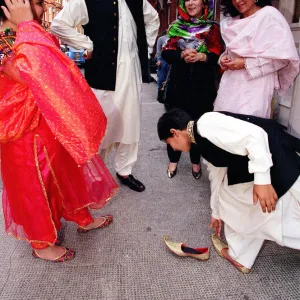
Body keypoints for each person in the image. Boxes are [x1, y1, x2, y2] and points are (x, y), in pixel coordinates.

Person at [0, 0, 118, 262]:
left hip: (46, 122)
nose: (43, 10)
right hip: (21, 132)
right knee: (34, 184)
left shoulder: (22, 36)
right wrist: (27, 25)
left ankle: (80, 217)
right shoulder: (6, 42)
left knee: (64, 172)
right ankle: (42, 244)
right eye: (38, 4)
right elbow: (36, 70)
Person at [157, 108, 300, 273]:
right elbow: (217, 175)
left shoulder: (205, 123)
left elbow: (255, 135)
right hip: (270, 165)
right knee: (229, 199)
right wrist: (216, 212)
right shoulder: (199, 140)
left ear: (174, 133)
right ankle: (240, 255)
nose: (173, 149)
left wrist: (262, 181)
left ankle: (241, 254)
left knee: (285, 217)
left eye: (169, 143)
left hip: (282, 161)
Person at [50, 0, 160, 192]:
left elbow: (153, 19)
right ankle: (94, 173)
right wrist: (88, 44)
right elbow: (58, 24)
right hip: (101, 75)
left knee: (130, 125)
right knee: (100, 127)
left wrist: (146, 48)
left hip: (131, 73)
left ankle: (125, 170)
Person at [161, 0, 223, 179]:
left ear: (204, 3)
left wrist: (203, 56)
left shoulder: (213, 28)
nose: (190, 3)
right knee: (174, 125)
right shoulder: (175, 26)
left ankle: (195, 162)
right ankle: (173, 160)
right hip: (178, 87)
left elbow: (218, 55)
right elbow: (166, 52)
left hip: (202, 88)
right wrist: (181, 54)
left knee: (197, 127)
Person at [214, 0, 300, 118]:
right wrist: (224, 59)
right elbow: (229, 51)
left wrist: (245, 63)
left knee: (248, 127)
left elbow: (282, 59)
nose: (237, 1)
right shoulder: (230, 23)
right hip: (230, 83)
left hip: (256, 85)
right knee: (223, 123)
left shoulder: (269, 16)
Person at [156, 31, 170, 98]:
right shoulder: (161, 39)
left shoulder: (176, 38)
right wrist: (158, 60)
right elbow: (158, 51)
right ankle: (160, 93)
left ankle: (167, 95)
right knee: (161, 78)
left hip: (171, 60)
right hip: (163, 60)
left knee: (169, 78)